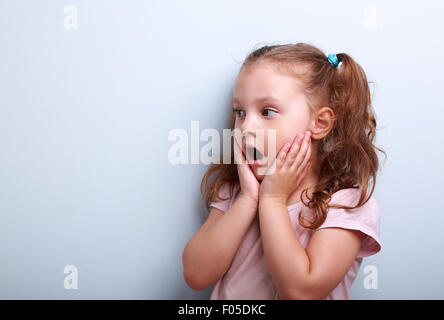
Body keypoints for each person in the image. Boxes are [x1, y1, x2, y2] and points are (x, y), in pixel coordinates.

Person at [182, 42, 386, 299]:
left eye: (267, 111)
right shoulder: (237, 192)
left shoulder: (345, 205)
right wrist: (248, 200)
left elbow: (300, 292)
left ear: (320, 123)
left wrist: (272, 200)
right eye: (240, 112)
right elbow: (196, 274)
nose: (245, 127)